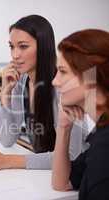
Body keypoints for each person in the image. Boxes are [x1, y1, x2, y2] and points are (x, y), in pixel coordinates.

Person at [0, 15, 88, 171]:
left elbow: (71, 156)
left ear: (43, 47)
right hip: (45, 174)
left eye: (23, 46)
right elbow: (7, 139)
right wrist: (5, 95)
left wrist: (7, 161)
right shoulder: (21, 81)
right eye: (11, 46)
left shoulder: (63, 86)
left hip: (77, 175)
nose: (15, 55)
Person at [52, 29, 109, 199]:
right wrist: (63, 127)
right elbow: (61, 183)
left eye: (62, 72)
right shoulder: (100, 131)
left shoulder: (105, 146)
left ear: (92, 77)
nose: (55, 81)